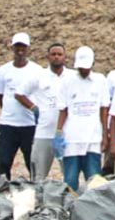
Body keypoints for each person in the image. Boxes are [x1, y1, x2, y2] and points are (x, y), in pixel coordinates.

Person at [54, 46, 109, 192]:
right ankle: (69, 210)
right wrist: (58, 132)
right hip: (72, 139)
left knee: (94, 182)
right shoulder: (67, 81)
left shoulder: (100, 80)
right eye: (81, 68)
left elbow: (104, 110)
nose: (83, 70)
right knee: (70, 181)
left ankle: (93, 211)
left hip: (93, 138)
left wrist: (105, 136)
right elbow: (63, 110)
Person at [19, 43, 74, 180]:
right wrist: (33, 108)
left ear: (65, 57)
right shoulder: (39, 76)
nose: (56, 57)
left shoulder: (73, 76)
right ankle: (37, 201)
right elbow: (19, 93)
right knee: (38, 176)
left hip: (67, 134)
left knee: (69, 175)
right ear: (48, 57)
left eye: (59, 54)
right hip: (44, 132)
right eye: (53, 54)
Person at [0, 32, 44, 180]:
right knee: (4, 163)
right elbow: (0, 96)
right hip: (8, 124)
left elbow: (41, 95)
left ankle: (37, 193)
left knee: (33, 163)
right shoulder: (3, 70)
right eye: (17, 46)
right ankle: (2, 193)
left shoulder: (37, 70)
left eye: (23, 46)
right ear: (12, 48)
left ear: (28, 48)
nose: (20, 49)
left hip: (29, 125)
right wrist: (9, 111)